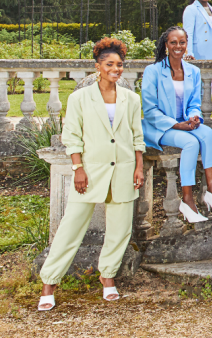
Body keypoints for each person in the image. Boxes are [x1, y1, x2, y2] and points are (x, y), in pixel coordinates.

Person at [37, 38, 145, 311]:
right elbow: (71, 135)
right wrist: (78, 168)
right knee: (70, 228)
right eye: (110, 64)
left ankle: (107, 277)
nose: (116, 69)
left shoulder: (131, 98)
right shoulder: (79, 98)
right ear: (98, 66)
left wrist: (139, 166)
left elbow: (136, 136)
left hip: (123, 170)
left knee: (120, 230)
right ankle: (49, 283)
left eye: (120, 65)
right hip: (91, 171)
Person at [141, 26, 212, 223]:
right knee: (191, 143)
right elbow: (150, 109)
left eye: (182, 42)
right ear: (166, 45)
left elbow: (194, 103)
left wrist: (194, 117)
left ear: (187, 45)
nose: (178, 46)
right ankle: (187, 199)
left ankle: (211, 192)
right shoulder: (153, 71)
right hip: (160, 126)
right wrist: (177, 126)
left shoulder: (192, 71)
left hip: (184, 122)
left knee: (207, 134)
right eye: (173, 42)